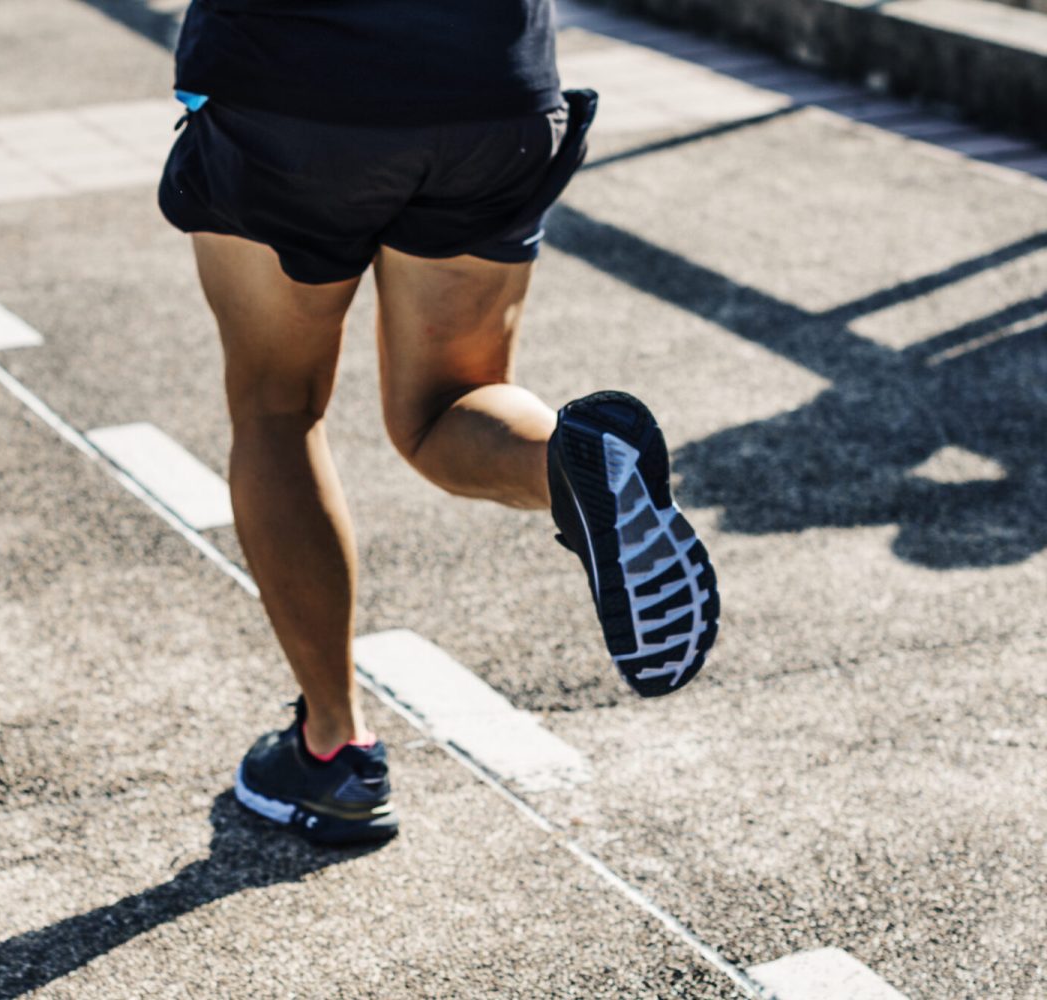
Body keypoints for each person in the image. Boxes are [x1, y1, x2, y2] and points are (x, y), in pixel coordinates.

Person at [158, 0, 720, 845]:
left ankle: (332, 751)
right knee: (446, 404)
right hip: (492, 87)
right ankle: (568, 466)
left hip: (290, 91)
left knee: (278, 410)